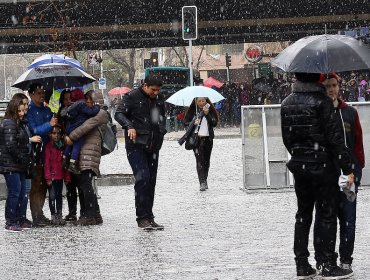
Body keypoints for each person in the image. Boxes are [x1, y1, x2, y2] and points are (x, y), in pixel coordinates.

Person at [280, 72, 354, 280]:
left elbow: (287, 137)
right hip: (322, 166)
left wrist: (299, 153)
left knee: (303, 214)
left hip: (300, 165)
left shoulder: (287, 103)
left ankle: (302, 264)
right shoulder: (322, 102)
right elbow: (334, 139)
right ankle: (328, 263)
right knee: (327, 214)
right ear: (316, 78)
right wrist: (347, 167)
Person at [313, 73, 365, 276]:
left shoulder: (350, 113)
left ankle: (345, 259)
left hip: (349, 175)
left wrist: (357, 169)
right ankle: (324, 259)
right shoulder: (318, 114)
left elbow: (358, 143)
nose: (331, 89)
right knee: (325, 220)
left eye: (334, 85)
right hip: (326, 175)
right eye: (327, 86)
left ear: (339, 86)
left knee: (348, 219)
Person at [115, 74, 167, 230]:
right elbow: (119, 114)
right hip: (136, 146)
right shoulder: (132, 96)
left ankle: (149, 216)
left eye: (158, 90)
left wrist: (161, 131)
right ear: (145, 85)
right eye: (153, 90)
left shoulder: (158, 99)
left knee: (151, 181)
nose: (155, 93)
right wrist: (129, 126)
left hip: (153, 145)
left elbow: (159, 117)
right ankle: (142, 217)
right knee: (142, 178)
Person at [64, 90, 108, 226]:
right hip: (86, 151)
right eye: (86, 99)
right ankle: (94, 214)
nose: (87, 102)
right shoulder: (92, 112)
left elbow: (85, 127)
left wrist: (71, 137)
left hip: (90, 152)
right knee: (85, 184)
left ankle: (90, 215)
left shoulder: (100, 113)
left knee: (86, 184)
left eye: (89, 99)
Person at [0, 99, 40, 231]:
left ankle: (20, 218)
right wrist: (22, 158)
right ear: (14, 110)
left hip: (19, 164)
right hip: (11, 164)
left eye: (24, 110)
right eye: (20, 111)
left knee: (22, 192)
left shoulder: (19, 123)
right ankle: (11, 220)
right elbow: (11, 145)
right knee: (15, 193)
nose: (22, 113)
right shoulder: (9, 123)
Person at [27, 83, 58, 226]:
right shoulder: (29, 111)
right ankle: (36, 215)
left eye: (43, 92)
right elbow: (34, 130)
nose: (42, 95)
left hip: (48, 152)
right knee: (36, 185)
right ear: (31, 94)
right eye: (39, 93)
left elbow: (52, 128)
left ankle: (40, 214)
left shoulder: (47, 110)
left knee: (45, 183)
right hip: (35, 153)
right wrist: (49, 125)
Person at [183, 97, 219, 191]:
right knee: (199, 161)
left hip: (208, 139)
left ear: (206, 101)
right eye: (199, 101)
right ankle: (202, 182)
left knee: (206, 161)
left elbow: (214, 123)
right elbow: (185, 123)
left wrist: (207, 115)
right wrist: (193, 122)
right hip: (196, 140)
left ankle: (205, 179)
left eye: (203, 101)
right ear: (196, 102)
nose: (201, 103)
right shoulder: (192, 111)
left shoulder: (209, 110)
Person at [63, 89, 100, 173]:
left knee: (69, 145)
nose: (87, 101)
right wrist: (97, 106)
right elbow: (91, 112)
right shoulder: (81, 105)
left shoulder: (71, 107)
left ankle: (64, 158)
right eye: (85, 98)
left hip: (70, 128)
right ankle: (72, 163)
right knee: (77, 145)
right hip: (77, 129)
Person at [44, 125, 70, 226]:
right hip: (52, 176)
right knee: (52, 196)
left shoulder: (62, 146)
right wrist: (48, 177)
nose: (56, 135)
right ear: (50, 134)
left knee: (59, 196)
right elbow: (46, 163)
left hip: (60, 176)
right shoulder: (48, 147)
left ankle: (59, 214)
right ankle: (53, 215)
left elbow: (65, 163)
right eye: (54, 133)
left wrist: (67, 177)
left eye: (58, 133)